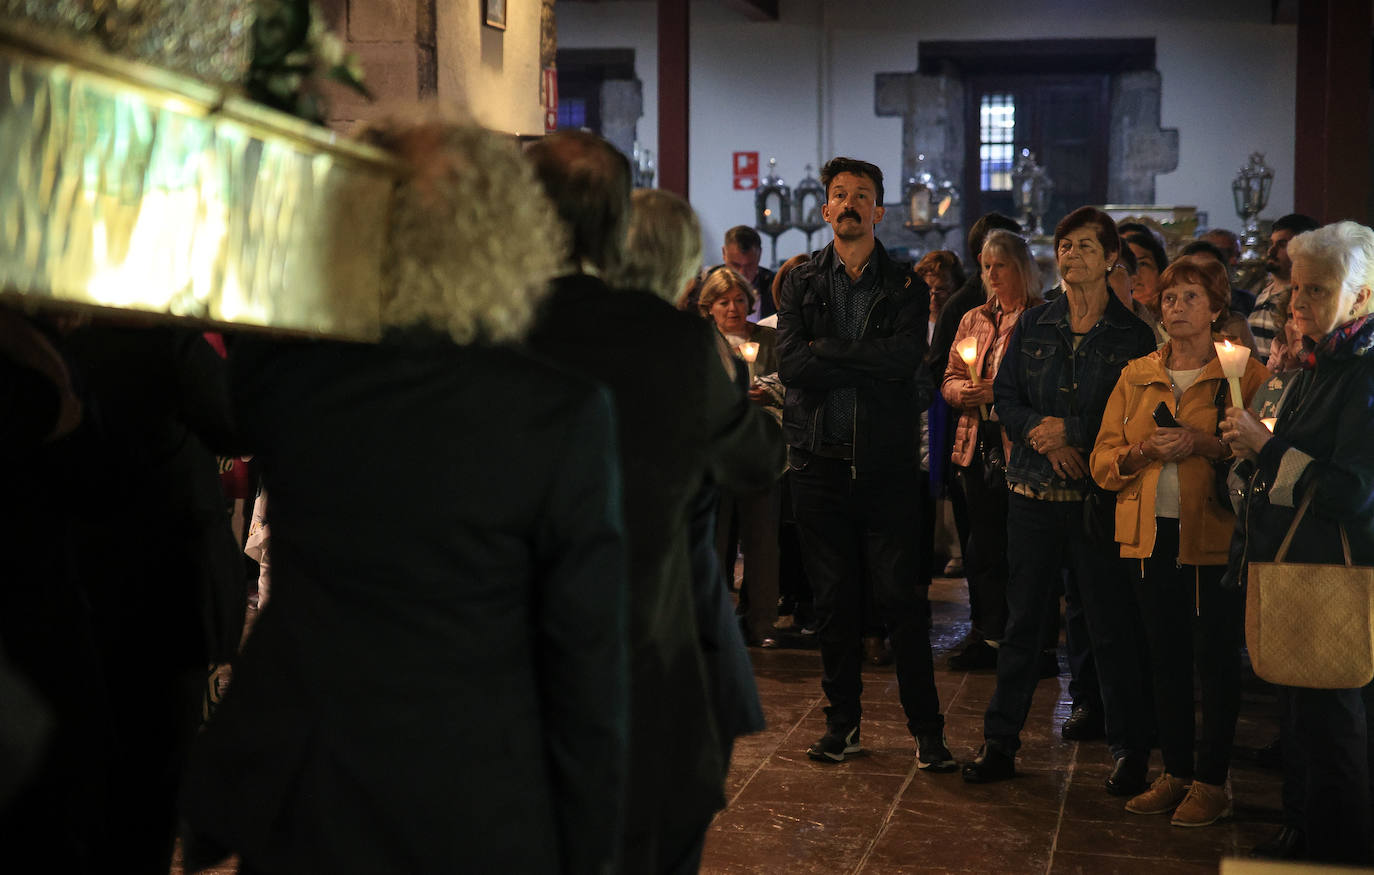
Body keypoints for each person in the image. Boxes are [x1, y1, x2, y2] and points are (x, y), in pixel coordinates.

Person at [181, 120, 628, 874]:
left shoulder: (296, 386)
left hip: (311, 788)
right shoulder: (559, 411)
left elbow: (250, 326)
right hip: (474, 797)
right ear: (507, 240)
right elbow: (586, 663)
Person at [526, 129, 783, 874]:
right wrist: (759, 408)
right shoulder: (679, 345)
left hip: (531, 646)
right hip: (660, 638)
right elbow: (756, 460)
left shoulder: (500, 323)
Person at [961, 207, 1157, 793]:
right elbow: (1008, 396)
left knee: (1107, 626)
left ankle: (1128, 751)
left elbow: (1130, 412)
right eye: (1065, 246)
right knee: (1024, 623)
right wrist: (1043, 438)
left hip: (1097, 497)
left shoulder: (1132, 335)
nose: (1072, 256)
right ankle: (1000, 742)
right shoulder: (1036, 324)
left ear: (1111, 258)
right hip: (1033, 491)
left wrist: (1071, 433)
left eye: (1086, 247)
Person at [776, 155, 954, 770]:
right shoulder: (799, 282)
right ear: (826, 209)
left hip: (884, 468)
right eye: (839, 194)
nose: (849, 203)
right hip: (818, 464)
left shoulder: (905, 285)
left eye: (861, 195)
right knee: (833, 605)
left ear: (879, 210)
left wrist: (831, 352)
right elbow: (793, 365)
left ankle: (927, 732)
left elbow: (906, 361)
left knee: (902, 604)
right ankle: (842, 727)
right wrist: (860, 358)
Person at [1090, 254, 1268, 826]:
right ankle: (1176, 773)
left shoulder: (1243, 372)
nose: (1177, 307)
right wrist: (1143, 452)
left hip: (1214, 533)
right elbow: (1102, 460)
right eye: (1169, 297)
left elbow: (1265, 452)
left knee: (1213, 661)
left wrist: (1204, 445)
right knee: (1162, 659)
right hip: (1148, 534)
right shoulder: (1137, 372)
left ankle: (1213, 782)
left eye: (1192, 296)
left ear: (1217, 308)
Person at [1221, 221, 1374, 865]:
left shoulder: (1361, 373)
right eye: (1296, 289)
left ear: (1360, 295)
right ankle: (1301, 834)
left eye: (1317, 290)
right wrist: (1251, 454)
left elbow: (1352, 490)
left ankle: (1335, 855)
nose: (1298, 304)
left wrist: (1266, 447)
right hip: (1291, 567)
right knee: (1298, 722)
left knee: (1332, 732)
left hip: (1332, 575)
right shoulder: (1314, 362)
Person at [613, 186, 767, 782]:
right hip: (671, 601)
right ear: (683, 262)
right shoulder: (688, 346)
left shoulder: (556, 329)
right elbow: (752, 460)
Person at [941, 230, 1042, 671]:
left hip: (1020, 450)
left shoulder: (1041, 319)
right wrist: (962, 391)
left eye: (1001, 265)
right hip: (974, 446)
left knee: (1022, 550)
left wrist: (996, 401)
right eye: (986, 266)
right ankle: (988, 634)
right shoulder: (973, 319)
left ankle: (1027, 642)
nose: (992, 274)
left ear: (1021, 268)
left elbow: (1042, 391)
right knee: (982, 547)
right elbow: (947, 375)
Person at [697, 267, 783, 647]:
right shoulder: (702, 343)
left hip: (760, 453)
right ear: (708, 307)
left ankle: (761, 621)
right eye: (723, 301)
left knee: (762, 540)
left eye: (739, 300)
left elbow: (791, 380)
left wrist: (769, 391)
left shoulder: (770, 339)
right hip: (715, 456)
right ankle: (713, 617)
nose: (733, 308)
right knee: (716, 540)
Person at [1248, 214, 1321, 364]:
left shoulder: (1301, 301)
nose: (1271, 251)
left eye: (1282, 245)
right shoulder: (1264, 290)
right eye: (1271, 243)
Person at [1179, 239, 1260, 351]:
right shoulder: (1170, 322)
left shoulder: (1234, 324)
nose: (1202, 278)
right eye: (1194, 270)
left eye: (1211, 271)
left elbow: (1253, 367)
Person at [719, 225, 777, 320]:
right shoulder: (706, 286)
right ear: (724, 253)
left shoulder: (776, 288)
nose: (742, 273)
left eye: (750, 265)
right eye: (735, 265)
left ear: (760, 254)